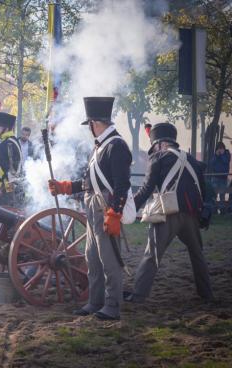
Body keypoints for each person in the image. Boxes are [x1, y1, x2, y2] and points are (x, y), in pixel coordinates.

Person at [48, 97, 132, 321]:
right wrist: (65, 187)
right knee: (92, 257)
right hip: (93, 204)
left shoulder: (117, 146)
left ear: (95, 123)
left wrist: (115, 213)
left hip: (105, 207)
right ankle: (95, 302)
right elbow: (89, 182)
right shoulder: (101, 147)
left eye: (90, 125)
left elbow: (122, 184)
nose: (90, 130)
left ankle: (113, 305)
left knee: (109, 259)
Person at [124, 123, 214, 304]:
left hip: (168, 213)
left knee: (152, 255)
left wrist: (128, 207)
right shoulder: (192, 160)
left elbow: (146, 189)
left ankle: (139, 295)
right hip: (191, 215)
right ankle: (206, 294)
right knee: (198, 254)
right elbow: (204, 191)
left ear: (159, 144)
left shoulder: (158, 158)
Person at [0, 101, 22, 207]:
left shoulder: (6, 143)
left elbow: (4, 166)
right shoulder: (12, 140)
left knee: (5, 209)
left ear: (6, 129)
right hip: (10, 181)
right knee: (10, 207)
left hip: (6, 182)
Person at [209, 142, 230, 214]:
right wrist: (216, 155)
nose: (220, 150)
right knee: (214, 194)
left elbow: (226, 161)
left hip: (223, 178)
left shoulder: (227, 153)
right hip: (215, 177)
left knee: (222, 195)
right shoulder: (215, 154)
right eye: (219, 148)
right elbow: (211, 163)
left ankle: (222, 211)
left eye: (222, 148)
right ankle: (214, 210)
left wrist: (222, 154)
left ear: (224, 148)